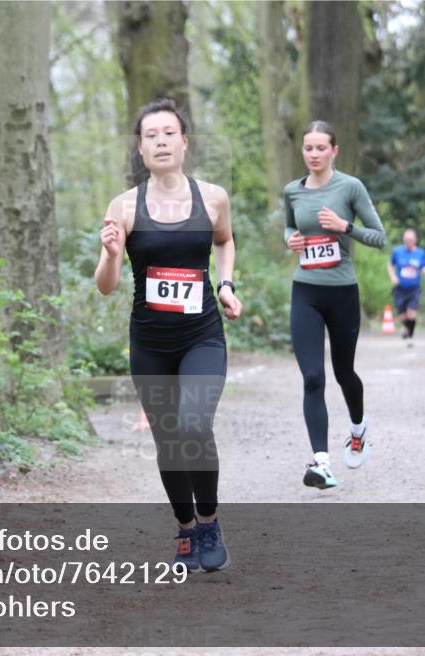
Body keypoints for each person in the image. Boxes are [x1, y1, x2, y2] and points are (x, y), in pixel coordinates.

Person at [94, 99, 242, 572]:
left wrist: (226, 284)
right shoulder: (125, 205)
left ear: (184, 141)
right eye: (150, 135)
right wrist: (112, 253)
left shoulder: (213, 197)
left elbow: (223, 240)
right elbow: (106, 285)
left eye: (168, 133)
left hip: (202, 335)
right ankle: (184, 527)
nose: (160, 141)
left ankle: (210, 522)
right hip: (151, 343)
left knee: (195, 425)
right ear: (140, 149)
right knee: (169, 438)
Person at [283, 120, 386, 489]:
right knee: (313, 377)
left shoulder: (350, 187)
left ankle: (358, 429)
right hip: (305, 292)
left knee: (344, 374)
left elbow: (379, 237)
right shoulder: (292, 191)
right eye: (308, 148)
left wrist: (345, 227)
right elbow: (287, 227)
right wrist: (291, 239)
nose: (313, 154)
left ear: (334, 151)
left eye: (320, 148)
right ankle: (321, 463)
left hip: (342, 292)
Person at [388, 228, 425, 347]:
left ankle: (410, 337)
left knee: (412, 314)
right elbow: (390, 265)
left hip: (414, 288)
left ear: (415, 240)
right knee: (403, 316)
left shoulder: (420, 253)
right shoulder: (397, 251)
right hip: (400, 288)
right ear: (404, 240)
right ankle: (406, 328)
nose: (408, 242)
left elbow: (424, 266)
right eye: (406, 240)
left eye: (410, 240)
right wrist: (393, 277)